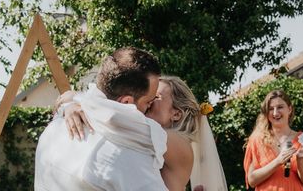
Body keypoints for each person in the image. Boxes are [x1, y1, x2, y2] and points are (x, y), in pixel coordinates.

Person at [61, 75, 228, 191]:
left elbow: (115, 118)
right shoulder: (147, 139)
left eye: (155, 98)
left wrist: (75, 100)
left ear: (176, 114)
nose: (147, 102)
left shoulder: (179, 143)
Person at [34, 46, 166, 190]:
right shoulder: (128, 156)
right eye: (149, 102)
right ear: (126, 102)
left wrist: (71, 102)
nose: (149, 109)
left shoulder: (55, 128)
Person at [244, 89, 303, 190]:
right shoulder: (257, 140)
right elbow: (252, 181)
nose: (275, 113)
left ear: (290, 109)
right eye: (270, 109)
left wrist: (301, 160)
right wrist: (277, 162)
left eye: (280, 107)